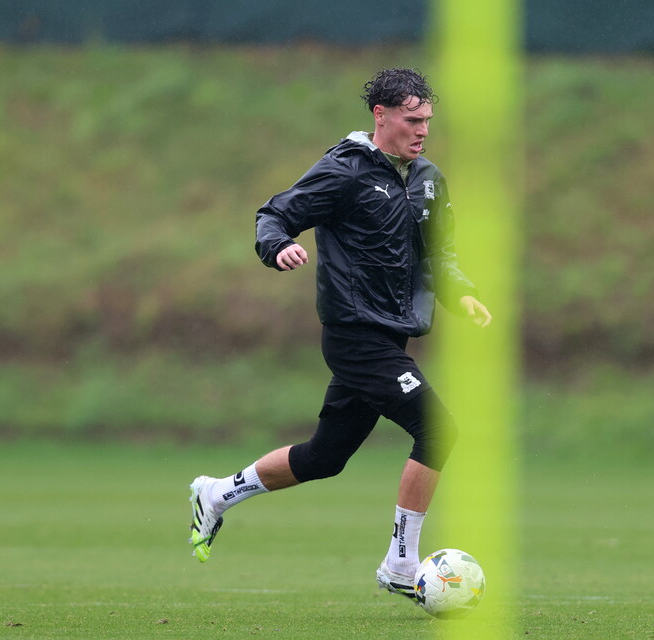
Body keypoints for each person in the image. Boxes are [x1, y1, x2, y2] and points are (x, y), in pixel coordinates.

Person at [188, 68, 491, 600]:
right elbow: (275, 214)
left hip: (392, 338)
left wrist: (461, 293)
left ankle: (216, 494)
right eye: (412, 119)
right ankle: (401, 564)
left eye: (427, 120)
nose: (423, 130)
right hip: (354, 335)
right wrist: (278, 246)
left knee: (324, 458)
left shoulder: (428, 179)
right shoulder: (344, 170)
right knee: (438, 430)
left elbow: (440, 253)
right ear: (381, 115)